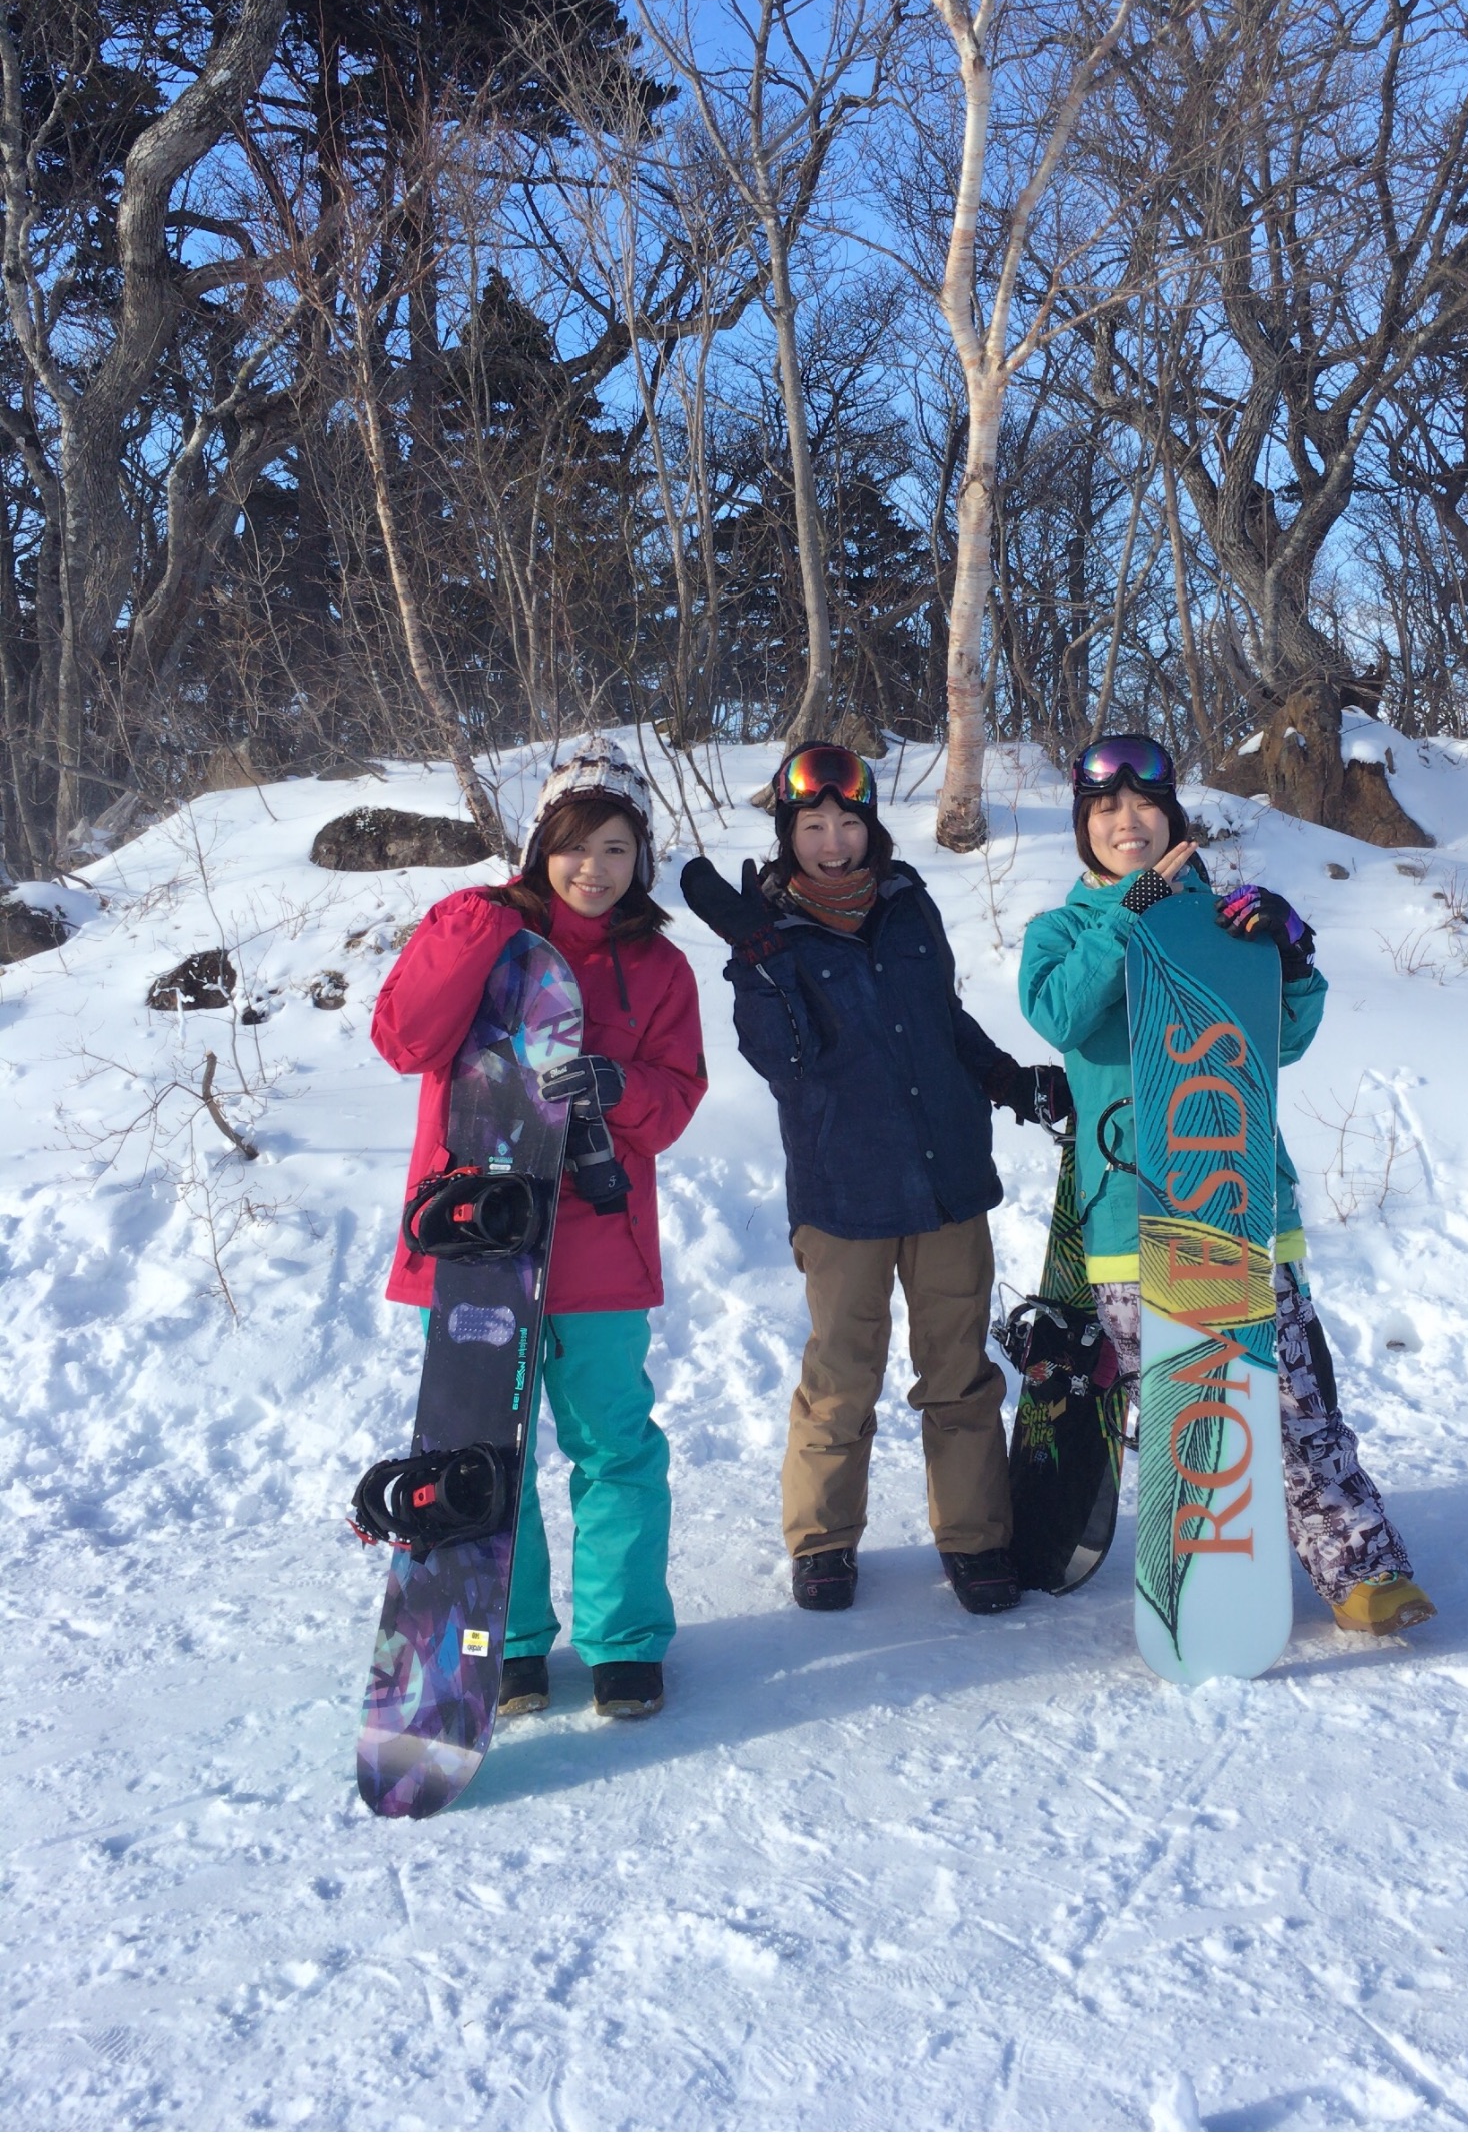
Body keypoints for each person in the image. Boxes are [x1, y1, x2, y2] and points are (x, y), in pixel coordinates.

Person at [1019, 733, 1436, 1637]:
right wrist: (1139, 906)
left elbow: (1282, 1041)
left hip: (1239, 1199)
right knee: (1185, 1404)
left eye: (1142, 807)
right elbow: (1058, 1010)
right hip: (1135, 1213)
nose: (1126, 822)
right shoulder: (1065, 931)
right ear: (1084, 830)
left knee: (1287, 1400)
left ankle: (1361, 1571)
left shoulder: (1223, 916)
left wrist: (1289, 956)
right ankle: (1201, 1587)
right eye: (1103, 812)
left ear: (1170, 814)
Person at [680, 741, 1068, 1618]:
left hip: (945, 1182)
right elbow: (782, 1061)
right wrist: (762, 961)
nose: (832, 840)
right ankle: (820, 1541)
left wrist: (1005, 1078)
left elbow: (942, 1018)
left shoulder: (905, 903)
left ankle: (975, 1539)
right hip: (844, 1193)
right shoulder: (770, 929)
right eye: (811, 824)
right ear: (787, 833)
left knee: (959, 1374)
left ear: (869, 826)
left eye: (847, 821)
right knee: (840, 1376)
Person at [372, 737, 707, 1720]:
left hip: (599, 1244)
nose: (592, 868)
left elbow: (680, 1097)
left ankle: (624, 1640)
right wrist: (477, 927)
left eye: (615, 847)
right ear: (538, 847)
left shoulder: (657, 966)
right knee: (483, 1455)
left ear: (639, 858)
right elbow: (406, 1038)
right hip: (478, 1241)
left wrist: (623, 1086)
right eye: (573, 845)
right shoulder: (473, 927)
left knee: (615, 1449)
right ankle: (505, 1639)